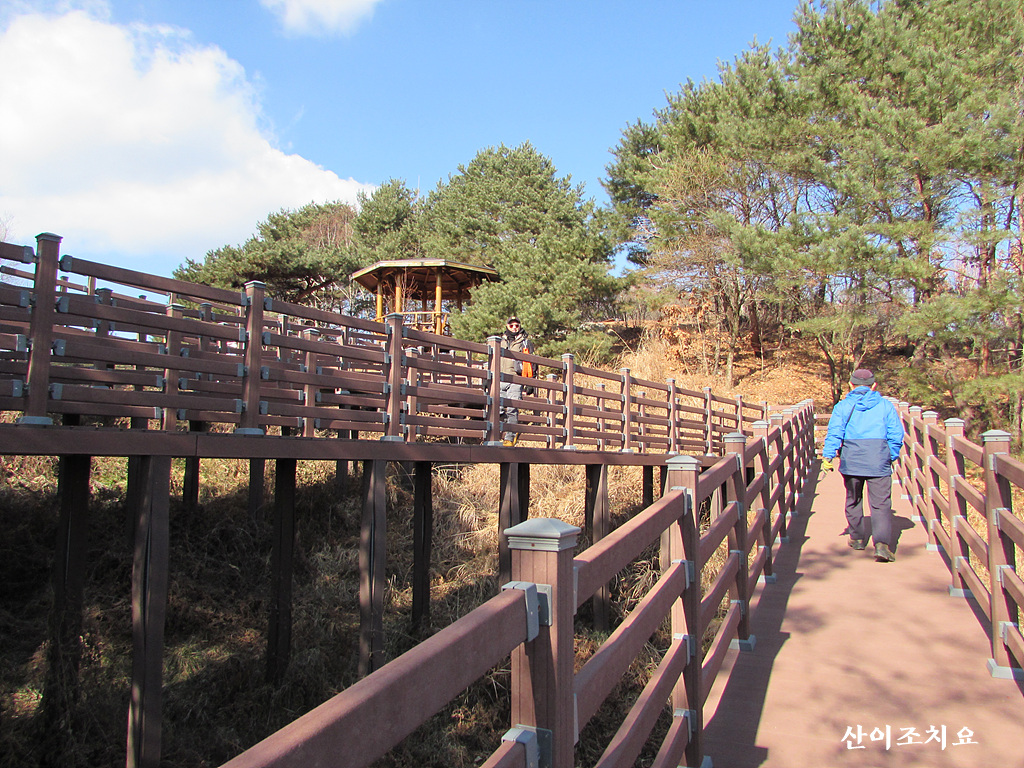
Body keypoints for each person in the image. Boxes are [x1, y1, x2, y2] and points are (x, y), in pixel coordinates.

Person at [821, 368, 904, 562]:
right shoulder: (885, 406)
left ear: (851, 384)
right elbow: (896, 434)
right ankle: (882, 545)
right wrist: (890, 455)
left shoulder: (843, 407)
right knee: (881, 504)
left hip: (852, 459)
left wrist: (828, 457)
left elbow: (835, 433)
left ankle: (857, 538)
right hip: (878, 459)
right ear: (874, 385)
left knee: (853, 499)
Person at [499, 315, 534, 446]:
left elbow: (531, 362)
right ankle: (506, 431)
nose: (514, 327)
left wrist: (530, 382)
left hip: (515, 379)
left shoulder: (525, 342)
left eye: (517, 325)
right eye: (511, 325)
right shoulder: (500, 341)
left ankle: (510, 437)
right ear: (507, 326)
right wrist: (487, 377)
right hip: (499, 379)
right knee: (498, 409)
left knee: (512, 409)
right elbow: (491, 359)